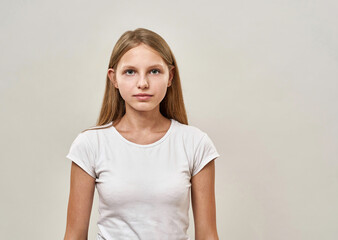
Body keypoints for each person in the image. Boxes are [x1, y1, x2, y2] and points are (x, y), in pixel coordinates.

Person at [63, 28, 221, 240]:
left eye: (154, 71)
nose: (143, 83)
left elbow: (208, 235)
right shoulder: (90, 144)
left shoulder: (195, 143)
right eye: (130, 72)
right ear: (114, 79)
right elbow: (74, 235)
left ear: (170, 76)